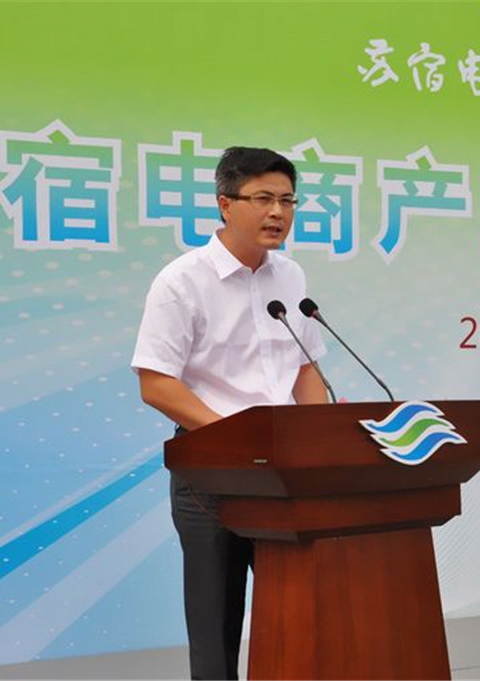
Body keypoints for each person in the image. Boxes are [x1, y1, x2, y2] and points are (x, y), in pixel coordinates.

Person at [131, 146, 328, 680]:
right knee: (216, 625)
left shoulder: (291, 278)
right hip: (212, 473)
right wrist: (242, 439)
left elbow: (305, 368)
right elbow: (156, 383)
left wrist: (323, 440)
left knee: (300, 608)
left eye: (287, 200)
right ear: (225, 203)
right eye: (263, 199)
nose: (278, 212)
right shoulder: (182, 281)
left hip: (285, 471)